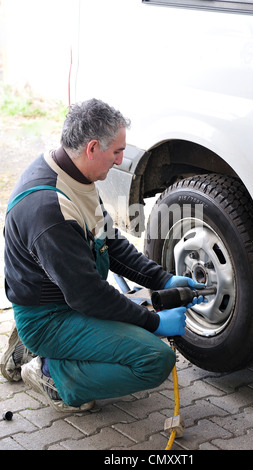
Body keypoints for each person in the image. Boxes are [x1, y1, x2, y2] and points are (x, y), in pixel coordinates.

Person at [1, 98, 204, 412]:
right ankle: (53, 373)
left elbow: (112, 243)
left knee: (138, 313)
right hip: (51, 317)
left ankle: (44, 350)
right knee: (154, 358)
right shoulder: (50, 212)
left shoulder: (73, 172)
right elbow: (90, 297)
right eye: (117, 152)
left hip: (67, 297)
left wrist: (162, 279)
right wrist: (153, 322)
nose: (121, 160)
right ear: (92, 148)